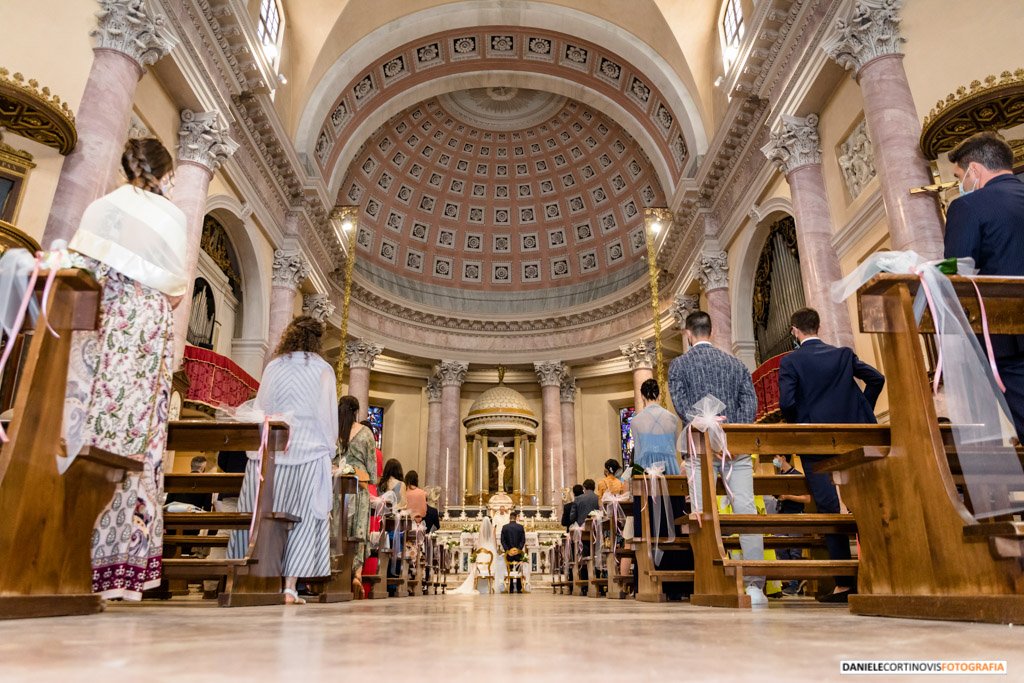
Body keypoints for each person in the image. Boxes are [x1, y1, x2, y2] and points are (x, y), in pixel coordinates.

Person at [59, 137, 187, 601]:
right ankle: (118, 567)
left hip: (99, 324)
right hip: (144, 334)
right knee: (134, 444)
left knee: (85, 427)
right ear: (165, 174)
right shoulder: (170, 215)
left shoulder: (106, 204)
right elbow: (173, 291)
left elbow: (76, 263)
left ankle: (64, 548)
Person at [227, 316, 338, 605]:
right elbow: (327, 416)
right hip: (308, 452)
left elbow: (261, 406)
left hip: (272, 452)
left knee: (262, 515)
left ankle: (248, 577)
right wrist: (330, 450)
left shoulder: (274, 366)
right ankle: (289, 587)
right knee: (301, 520)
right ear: (317, 341)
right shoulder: (323, 369)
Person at [779, 307, 884, 602]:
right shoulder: (843, 354)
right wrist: (862, 410)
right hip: (852, 437)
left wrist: (802, 420)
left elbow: (786, 403)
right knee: (863, 503)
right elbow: (877, 379)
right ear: (818, 326)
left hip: (815, 442)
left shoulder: (791, 361)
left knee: (828, 508)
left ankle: (843, 583)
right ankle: (878, 572)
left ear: (795, 332)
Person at [668, 310, 767, 606]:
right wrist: (733, 430)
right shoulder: (734, 363)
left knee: (701, 512)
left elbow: (680, 403)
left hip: (699, 446)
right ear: (710, 331)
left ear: (688, 333)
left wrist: (704, 424)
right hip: (735, 447)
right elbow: (750, 401)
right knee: (746, 511)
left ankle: (710, 580)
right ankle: (754, 585)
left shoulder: (680, 364)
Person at [943, 131, 1024, 442]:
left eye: (960, 176)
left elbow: (956, 270)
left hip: (1011, 340)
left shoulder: (969, 206)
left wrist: (930, 270)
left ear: (974, 170)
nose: (961, 184)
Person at [336, 395, 376, 598]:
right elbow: (372, 469)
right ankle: (356, 574)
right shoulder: (365, 432)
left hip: (338, 485)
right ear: (356, 411)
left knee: (338, 528)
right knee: (358, 530)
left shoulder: (334, 432)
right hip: (359, 487)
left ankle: (336, 572)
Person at [771, 454, 811, 597]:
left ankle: (795, 583)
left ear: (783, 457)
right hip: (782, 514)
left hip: (795, 515)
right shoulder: (779, 475)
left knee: (795, 550)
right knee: (781, 547)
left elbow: (807, 498)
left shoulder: (796, 475)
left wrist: (788, 496)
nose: (774, 460)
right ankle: (792, 579)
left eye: (776, 457)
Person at [630, 379, 681, 474]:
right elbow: (674, 447)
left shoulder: (635, 421)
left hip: (646, 468)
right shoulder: (673, 418)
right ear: (659, 395)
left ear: (642, 396)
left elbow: (637, 454)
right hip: (669, 467)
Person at [449, 517, 507, 594]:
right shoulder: (493, 529)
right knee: (493, 567)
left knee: (480, 566)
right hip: (491, 549)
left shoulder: (481, 530)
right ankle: (491, 586)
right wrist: (495, 550)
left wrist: (478, 551)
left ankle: (479, 586)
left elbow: (479, 542)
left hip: (482, 548)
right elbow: (494, 541)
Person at [499, 510, 527, 594]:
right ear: (516, 518)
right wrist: (518, 549)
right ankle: (519, 587)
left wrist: (508, 550)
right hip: (518, 552)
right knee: (518, 569)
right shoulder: (520, 527)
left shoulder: (505, 527)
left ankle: (510, 587)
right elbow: (523, 540)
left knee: (509, 569)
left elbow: (502, 540)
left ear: (509, 518)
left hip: (509, 552)